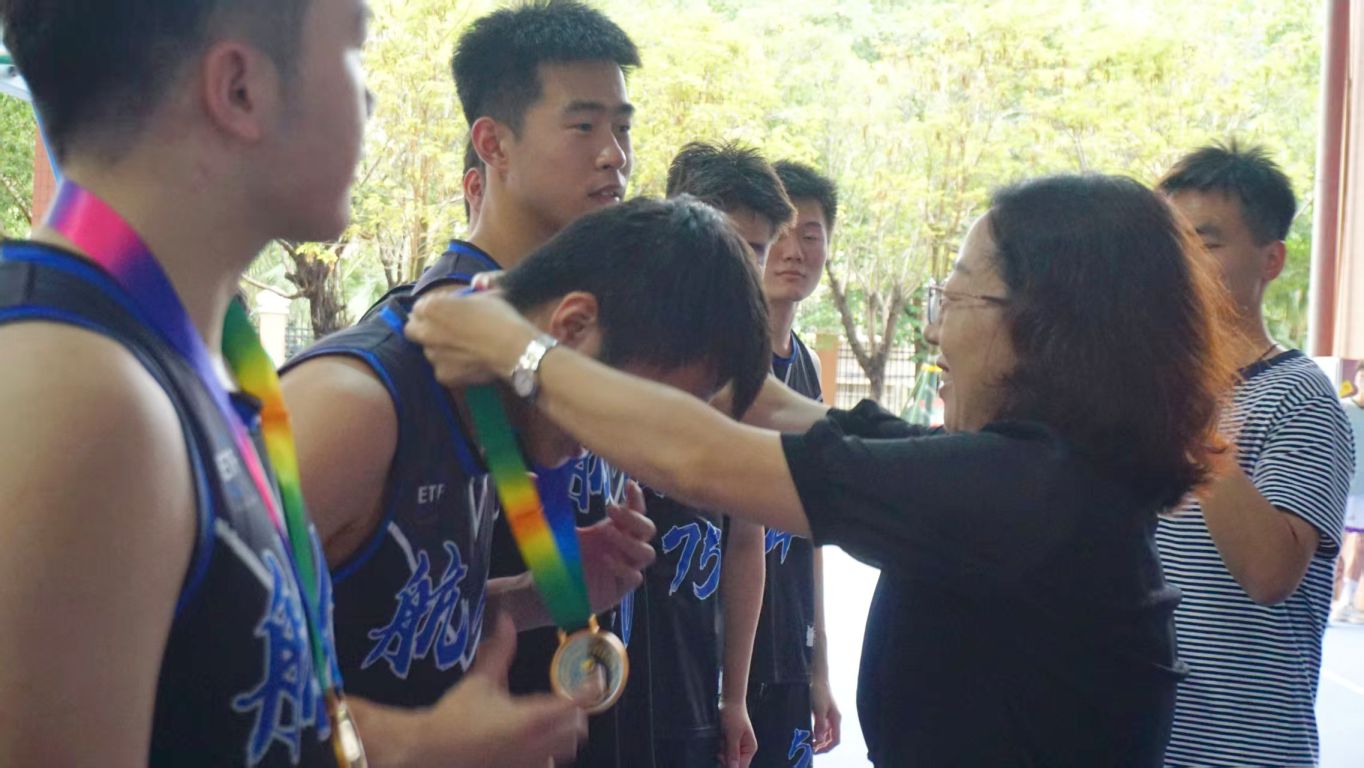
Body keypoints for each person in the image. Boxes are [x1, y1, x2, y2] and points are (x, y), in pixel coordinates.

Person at [408, 173, 1236, 767]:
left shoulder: (1030, 497)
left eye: (954, 298)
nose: (935, 330)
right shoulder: (1036, 477)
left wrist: (514, 347)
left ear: (1041, 329)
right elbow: (773, 409)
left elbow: (701, 456)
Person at [0, 1, 585, 765]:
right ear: (240, 88)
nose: (369, 98)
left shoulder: (183, 356)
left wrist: (417, 743)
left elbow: (227, 715)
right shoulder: (83, 394)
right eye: (351, 52)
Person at [280, 2, 660, 764]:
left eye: (623, 128)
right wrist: (410, 743)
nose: (614, 155)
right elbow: (176, 663)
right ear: (493, 144)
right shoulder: (363, 399)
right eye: (583, 126)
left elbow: (394, 614)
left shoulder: (502, 366)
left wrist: (537, 595)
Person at [1155, 142, 1353, 767]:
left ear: (1272, 260)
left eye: (1206, 243)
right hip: (1142, 737)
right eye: (1171, 243)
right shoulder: (1149, 389)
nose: (1181, 263)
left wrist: (1195, 418)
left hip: (1243, 751)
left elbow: (1270, 574)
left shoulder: (1299, 397)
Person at [657, 140, 794, 768]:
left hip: (692, 679)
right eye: (729, 244)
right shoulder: (603, 339)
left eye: (756, 251)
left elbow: (746, 540)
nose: (742, 267)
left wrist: (732, 695)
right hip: (595, 670)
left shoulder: (744, 368)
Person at [747, 160, 841, 767]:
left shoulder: (805, 367)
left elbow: (811, 530)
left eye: (811, 234)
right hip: (719, 658)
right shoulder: (718, 362)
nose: (793, 250)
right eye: (779, 233)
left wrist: (819, 666)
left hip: (789, 653)